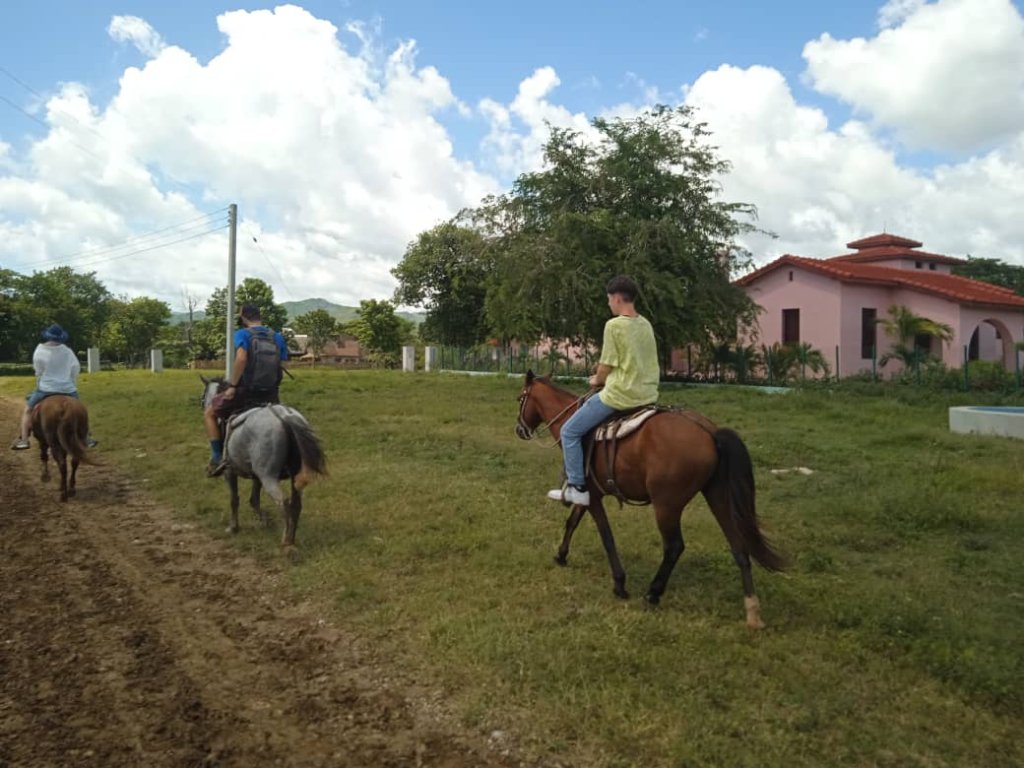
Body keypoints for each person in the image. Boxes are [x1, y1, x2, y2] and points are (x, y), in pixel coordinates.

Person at [547, 276, 660, 506]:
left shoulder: (614, 325)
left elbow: (606, 365)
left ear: (617, 298)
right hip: (648, 395)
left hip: (620, 396)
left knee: (569, 431)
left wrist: (596, 380)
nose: (609, 304)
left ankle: (578, 487)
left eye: (609, 299)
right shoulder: (645, 324)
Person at [203, 304, 289, 476]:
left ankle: (217, 457)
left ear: (243, 318)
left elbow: (241, 358)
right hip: (271, 394)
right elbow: (284, 363)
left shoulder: (242, 334)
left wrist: (233, 386)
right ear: (259, 316)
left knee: (209, 414)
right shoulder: (277, 337)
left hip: (246, 393)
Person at [11, 323, 98, 450]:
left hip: (46, 388)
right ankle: (86, 437)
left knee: (28, 410)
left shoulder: (40, 349)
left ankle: (24, 440)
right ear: (61, 337)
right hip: (68, 388)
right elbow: (75, 368)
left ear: (48, 336)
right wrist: (71, 382)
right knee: (81, 411)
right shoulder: (67, 351)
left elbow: (38, 370)